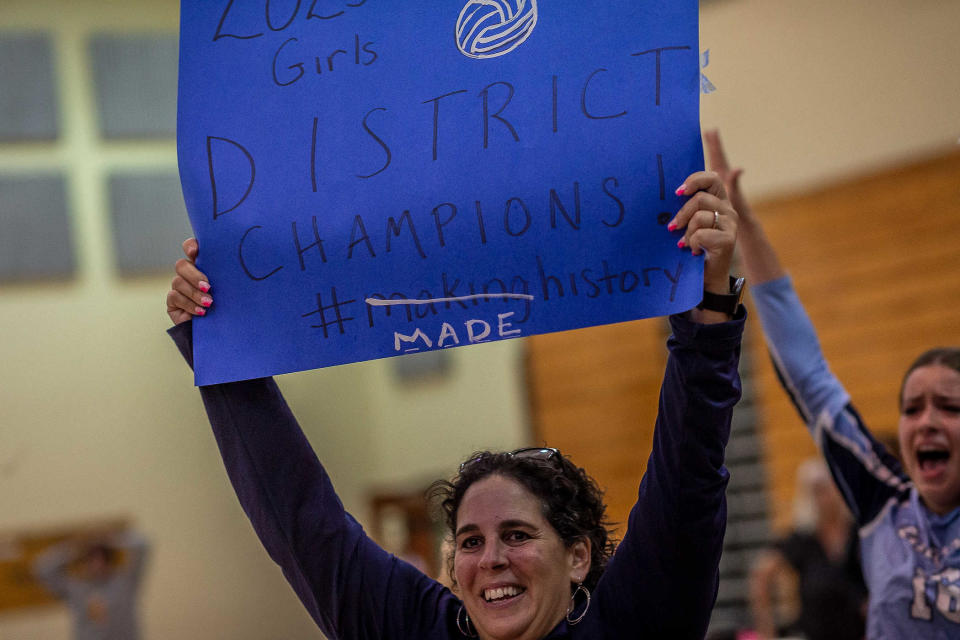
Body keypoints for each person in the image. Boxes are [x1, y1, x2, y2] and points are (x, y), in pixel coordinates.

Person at [165, 171, 745, 639]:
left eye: (516, 534)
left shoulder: (635, 622)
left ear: (577, 557)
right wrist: (222, 349)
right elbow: (299, 517)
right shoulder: (418, 628)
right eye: (470, 541)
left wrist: (711, 306)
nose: (490, 559)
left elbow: (688, 477)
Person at [706, 128, 960, 637]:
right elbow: (808, 373)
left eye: (948, 406)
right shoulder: (881, 497)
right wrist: (748, 226)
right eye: (912, 409)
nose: (925, 421)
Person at [748, 458, 866, 640]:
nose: (826, 497)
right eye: (819, 491)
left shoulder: (857, 532)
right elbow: (761, 576)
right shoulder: (803, 538)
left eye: (829, 488)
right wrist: (766, 631)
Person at [32, 529, 149, 640]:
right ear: (84, 562)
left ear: (109, 561)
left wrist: (112, 538)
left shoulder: (125, 582)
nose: (97, 565)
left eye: (102, 559)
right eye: (91, 559)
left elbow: (142, 545)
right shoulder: (74, 588)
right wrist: (73, 547)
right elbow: (42, 568)